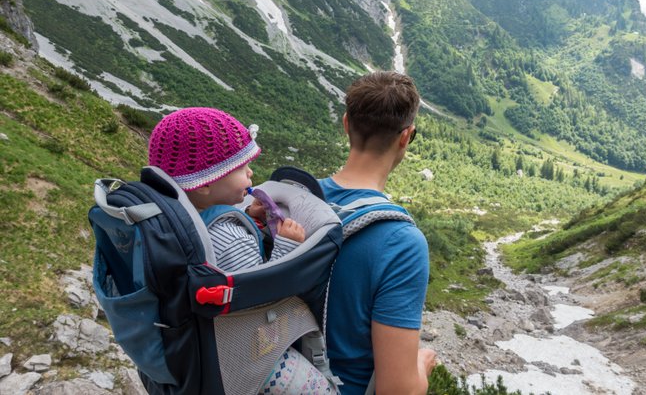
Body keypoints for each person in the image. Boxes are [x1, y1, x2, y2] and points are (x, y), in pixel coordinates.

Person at [148, 107, 335, 394]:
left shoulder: (179, 219)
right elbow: (260, 296)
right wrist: (286, 244)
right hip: (249, 355)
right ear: (206, 184)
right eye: (241, 167)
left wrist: (247, 215)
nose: (251, 173)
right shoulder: (229, 235)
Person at [319, 72, 437, 394]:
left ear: (346, 123)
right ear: (405, 137)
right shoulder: (402, 242)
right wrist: (420, 366)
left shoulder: (289, 199)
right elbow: (398, 390)